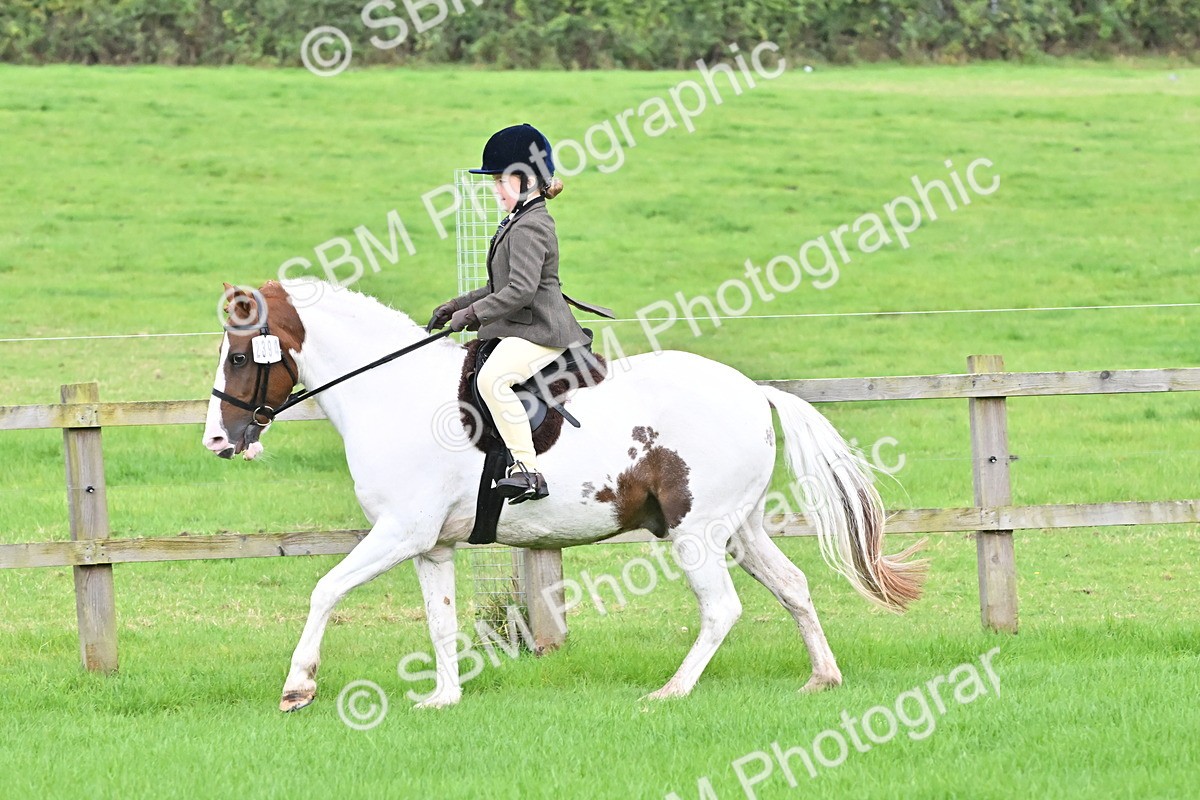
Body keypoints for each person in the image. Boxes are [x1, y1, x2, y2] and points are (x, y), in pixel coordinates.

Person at [427, 123, 609, 503]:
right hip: (525, 323)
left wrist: (473, 314)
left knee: (493, 380)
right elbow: (500, 285)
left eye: (500, 181)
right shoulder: (519, 219)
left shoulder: (531, 226)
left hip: (542, 330)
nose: (494, 189)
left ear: (525, 180)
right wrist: (456, 306)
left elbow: (521, 291)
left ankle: (527, 470)